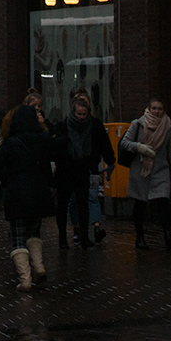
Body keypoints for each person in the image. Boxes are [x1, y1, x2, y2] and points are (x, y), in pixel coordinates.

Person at [0, 104, 55, 292]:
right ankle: (39, 266)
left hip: (17, 192)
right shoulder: (43, 140)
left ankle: (25, 279)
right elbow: (48, 165)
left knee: (17, 236)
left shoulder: (10, 143)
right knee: (34, 232)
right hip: (39, 191)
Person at [119, 97, 171, 250]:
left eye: (160, 109)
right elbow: (125, 143)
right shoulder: (138, 124)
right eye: (154, 108)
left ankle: (168, 235)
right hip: (140, 171)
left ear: (164, 111)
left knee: (163, 202)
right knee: (140, 204)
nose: (157, 111)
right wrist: (139, 147)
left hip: (160, 171)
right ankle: (140, 237)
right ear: (148, 109)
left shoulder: (169, 129)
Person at [52, 94, 114, 250]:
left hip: (83, 169)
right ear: (73, 112)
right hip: (65, 170)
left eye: (84, 114)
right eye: (79, 114)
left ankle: (84, 236)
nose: (81, 117)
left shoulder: (94, 125)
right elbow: (55, 147)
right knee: (64, 203)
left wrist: (110, 161)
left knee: (83, 202)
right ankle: (62, 238)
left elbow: (104, 145)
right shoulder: (63, 126)